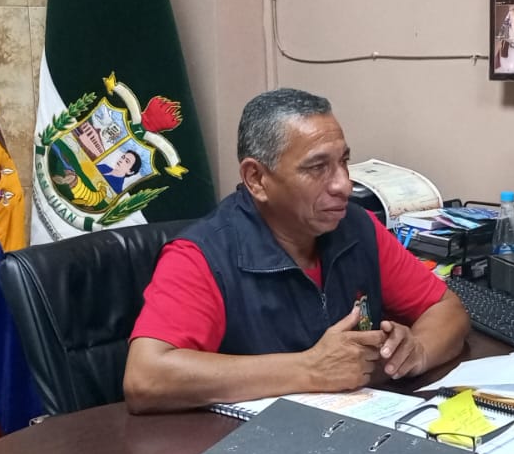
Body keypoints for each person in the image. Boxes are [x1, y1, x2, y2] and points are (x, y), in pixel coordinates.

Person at [123, 88, 470, 413]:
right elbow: (146, 377)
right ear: (257, 179)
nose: (344, 185)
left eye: (343, 161)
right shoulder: (203, 255)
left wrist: (416, 352)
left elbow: (446, 309)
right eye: (317, 168)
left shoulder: (356, 227)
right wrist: (309, 369)